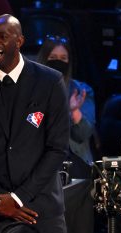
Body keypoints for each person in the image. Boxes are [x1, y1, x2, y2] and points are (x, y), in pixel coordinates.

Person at [0, 14, 69, 233]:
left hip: (41, 212)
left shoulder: (50, 82)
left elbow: (57, 148)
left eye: (2, 36)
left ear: (19, 41)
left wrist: (18, 198)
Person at [37, 35, 96, 179]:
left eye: (63, 58)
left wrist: (74, 111)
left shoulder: (81, 91)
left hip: (73, 159)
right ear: (44, 59)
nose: (58, 62)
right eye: (53, 57)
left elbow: (83, 134)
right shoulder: (29, 89)